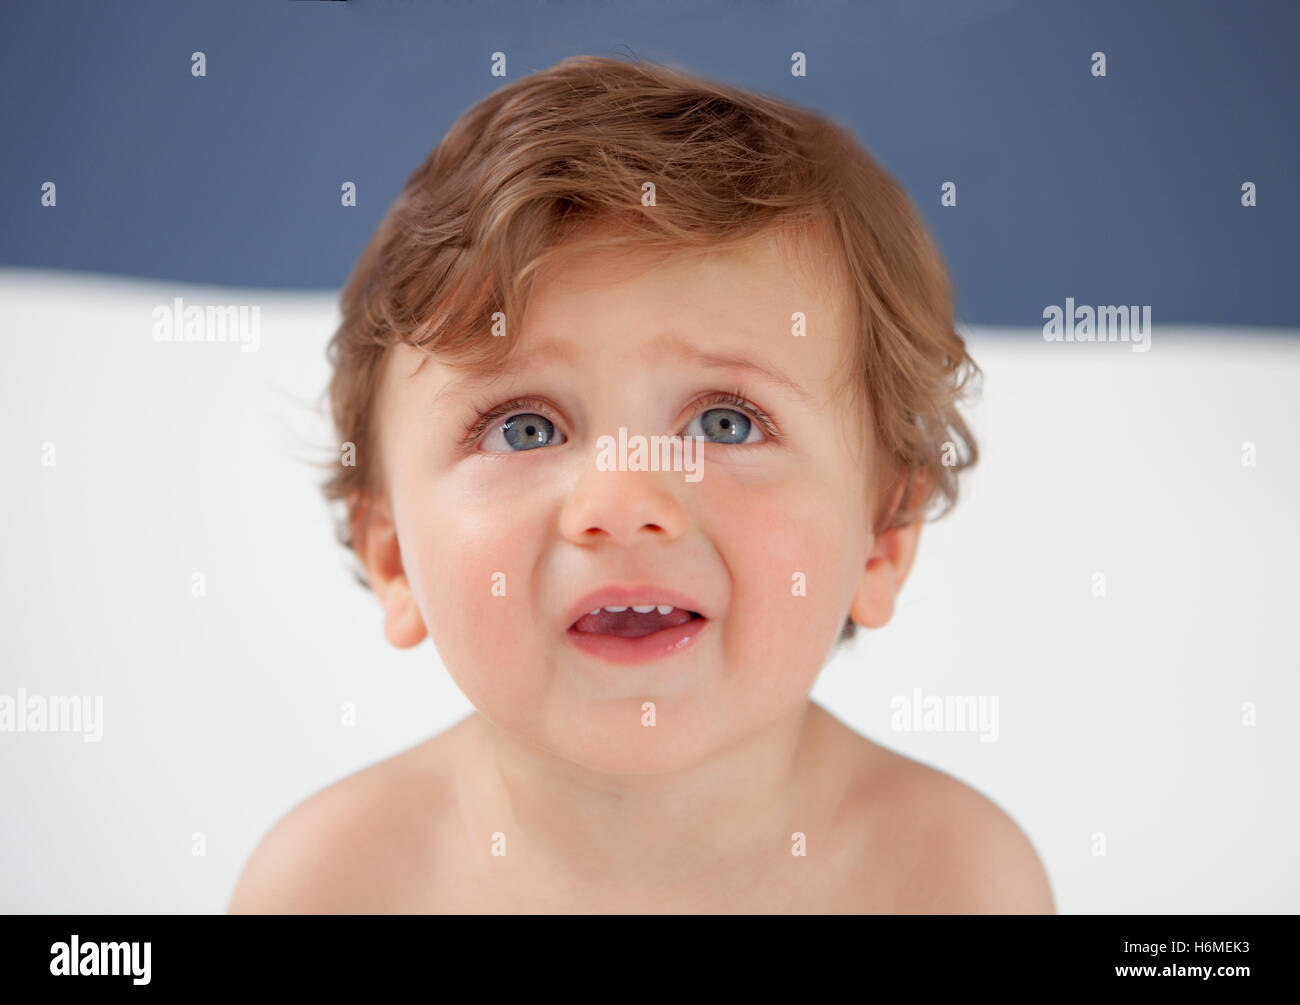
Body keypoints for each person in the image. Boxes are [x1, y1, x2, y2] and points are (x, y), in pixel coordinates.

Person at [229, 54, 1053, 913]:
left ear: (883, 535)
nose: (622, 504)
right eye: (525, 428)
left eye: (724, 423)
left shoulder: (952, 878)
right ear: (394, 556)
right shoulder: (331, 883)